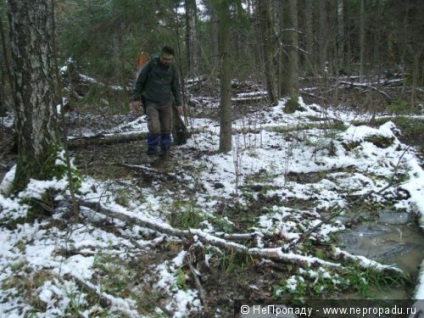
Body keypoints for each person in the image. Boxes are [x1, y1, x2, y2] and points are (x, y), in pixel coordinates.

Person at [131, 46, 183, 157]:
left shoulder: (173, 69)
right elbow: (139, 82)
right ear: (160, 57)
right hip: (151, 101)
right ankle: (152, 151)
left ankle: (165, 151)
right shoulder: (150, 66)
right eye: (165, 59)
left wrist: (179, 103)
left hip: (166, 102)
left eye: (169, 60)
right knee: (154, 127)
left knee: (166, 128)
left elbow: (175, 87)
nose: (167, 62)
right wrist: (135, 99)